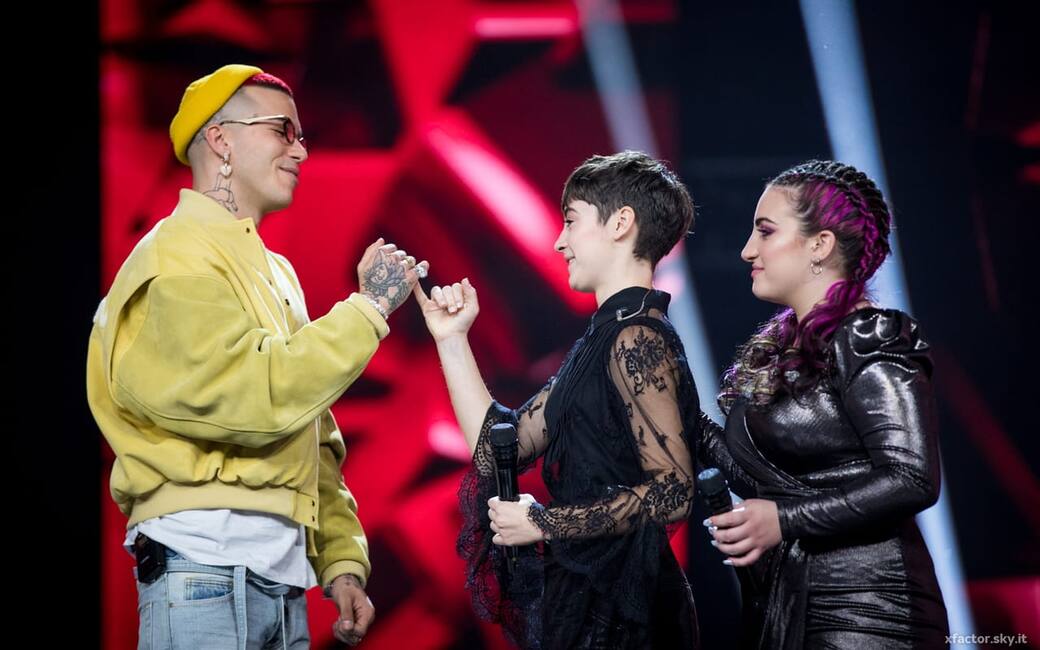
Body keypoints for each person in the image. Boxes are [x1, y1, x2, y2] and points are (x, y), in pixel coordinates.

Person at [86, 63, 428, 648]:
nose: (301, 150)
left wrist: (340, 561)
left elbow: (310, 429)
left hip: (279, 584)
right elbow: (252, 396)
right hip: (202, 573)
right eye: (282, 130)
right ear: (220, 139)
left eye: (302, 135)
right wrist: (369, 308)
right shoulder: (176, 257)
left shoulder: (275, 272)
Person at [415, 151, 701, 648]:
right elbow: (497, 449)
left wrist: (544, 522)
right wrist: (452, 339)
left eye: (571, 221)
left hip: (625, 616)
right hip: (588, 600)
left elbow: (673, 491)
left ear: (621, 223)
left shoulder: (636, 338)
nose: (559, 241)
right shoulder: (603, 340)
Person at [699, 160, 949, 648]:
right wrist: (669, 399)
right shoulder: (790, 347)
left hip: (870, 612)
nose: (747, 250)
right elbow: (770, 482)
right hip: (795, 602)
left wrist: (782, 520)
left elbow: (912, 477)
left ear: (820, 244)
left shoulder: (870, 336)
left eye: (765, 232)